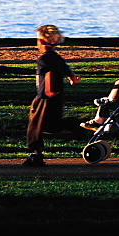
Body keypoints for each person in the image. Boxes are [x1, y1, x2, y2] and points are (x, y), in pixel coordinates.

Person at [24, 25, 80, 166]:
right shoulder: (56, 57)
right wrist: (72, 78)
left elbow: (49, 74)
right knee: (52, 125)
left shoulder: (43, 59)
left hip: (44, 98)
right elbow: (67, 70)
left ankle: (37, 155)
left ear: (41, 41)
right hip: (56, 97)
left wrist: (48, 91)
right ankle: (71, 124)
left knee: (34, 128)